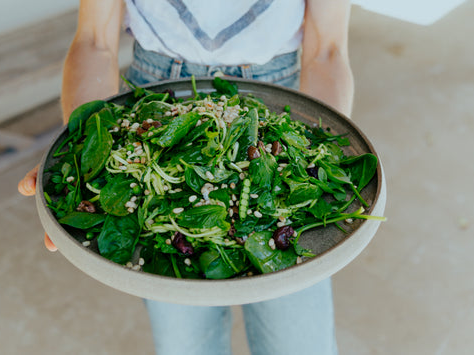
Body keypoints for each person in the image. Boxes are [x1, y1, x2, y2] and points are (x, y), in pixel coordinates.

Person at [18, 1, 354, 354]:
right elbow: (94, 41)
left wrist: (322, 162)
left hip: (274, 104)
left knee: (300, 338)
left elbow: (327, 51)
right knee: (185, 341)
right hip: (156, 102)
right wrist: (83, 155)